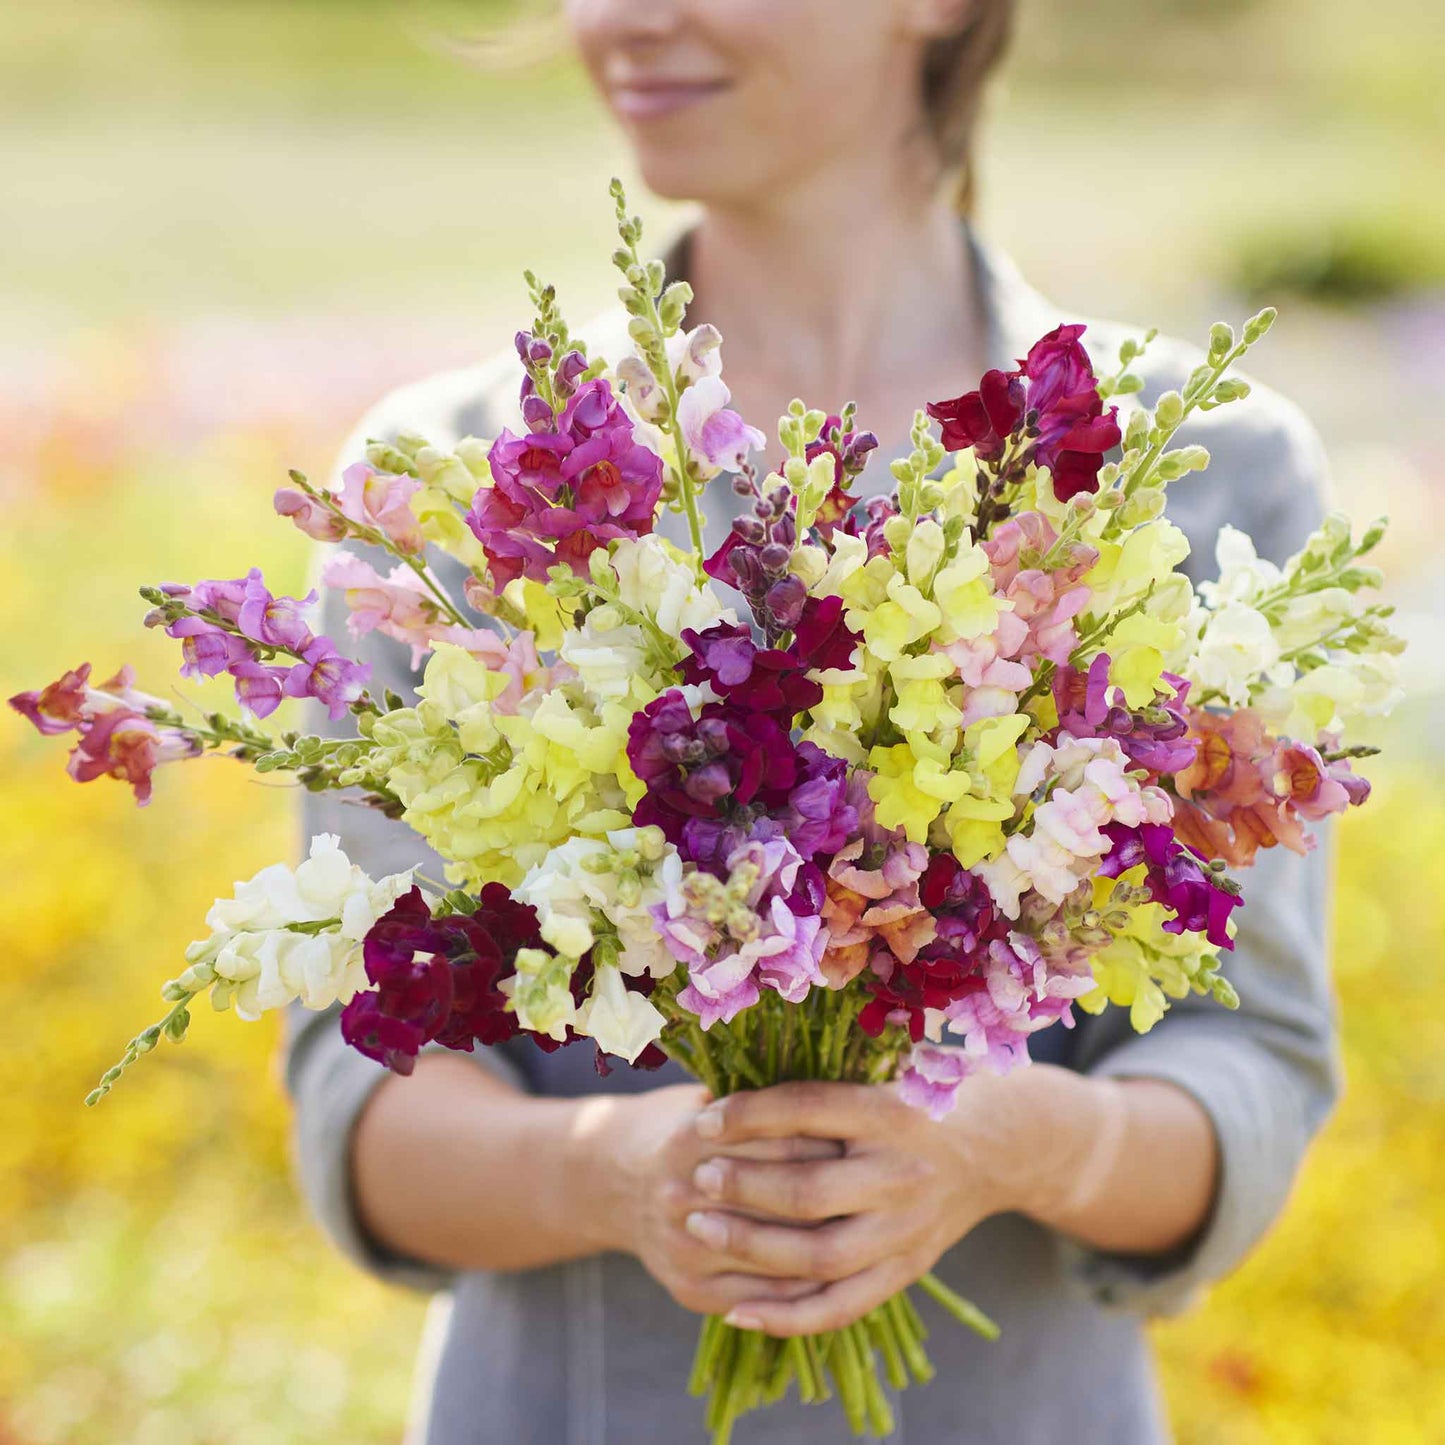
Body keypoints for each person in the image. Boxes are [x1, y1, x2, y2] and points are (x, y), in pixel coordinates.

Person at [284, 2, 1339, 1440]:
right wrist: (615, 1168)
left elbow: (1249, 1064)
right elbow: (365, 1093)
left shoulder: (1184, 466)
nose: (623, 19)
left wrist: (1012, 1141)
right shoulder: (464, 489)